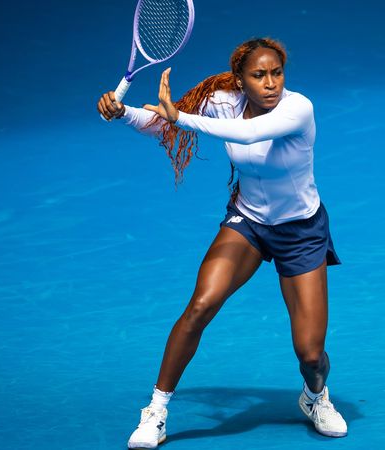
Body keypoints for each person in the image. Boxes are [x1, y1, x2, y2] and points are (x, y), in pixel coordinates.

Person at [96, 37, 347, 448]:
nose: (271, 83)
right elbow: (163, 124)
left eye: (277, 73)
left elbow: (248, 134)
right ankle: (156, 410)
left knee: (310, 354)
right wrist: (122, 113)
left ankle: (315, 396)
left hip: (301, 232)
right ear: (240, 80)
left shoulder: (298, 109)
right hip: (248, 223)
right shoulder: (222, 101)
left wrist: (181, 117)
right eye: (259, 75)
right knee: (200, 305)